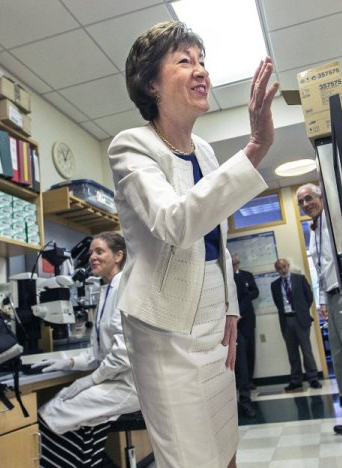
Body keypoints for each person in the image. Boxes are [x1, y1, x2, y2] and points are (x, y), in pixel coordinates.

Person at [108, 20, 278, 468]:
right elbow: (176, 223)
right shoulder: (132, 146)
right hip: (166, 332)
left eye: (202, 61)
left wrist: (231, 308)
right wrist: (256, 147)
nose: (200, 70)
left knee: (225, 450)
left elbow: (216, 239)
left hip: (212, 324)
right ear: (151, 83)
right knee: (191, 459)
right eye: (184, 61)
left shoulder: (204, 149)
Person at [34, 231, 138, 468]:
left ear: (119, 255)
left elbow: (123, 354)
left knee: (53, 412)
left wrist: (90, 380)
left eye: (99, 251)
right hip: (113, 380)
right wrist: (68, 363)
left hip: (129, 385)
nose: (92, 257)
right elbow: (97, 352)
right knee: (63, 406)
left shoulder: (127, 288)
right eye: (91, 252)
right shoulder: (105, 290)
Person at [296, 183, 342, 444]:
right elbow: (321, 267)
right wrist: (322, 301)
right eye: (301, 202)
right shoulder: (313, 229)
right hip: (331, 295)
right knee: (339, 361)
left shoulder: (333, 218)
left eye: (309, 198)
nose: (306, 204)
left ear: (321, 198)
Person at [270, 258, 322, 392]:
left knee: (307, 351)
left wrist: (302, 310)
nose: (283, 270)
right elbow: (278, 303)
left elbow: (309, 296)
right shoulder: (274, 285)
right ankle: (296, 380)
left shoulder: (299, 279)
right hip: (286, 321)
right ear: (277, 270)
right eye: (279, 268)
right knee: (292, 353)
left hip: (300, 319)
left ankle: (313, 378)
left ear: (288, 266)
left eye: (284, 267)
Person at [232, 254, 259, 418]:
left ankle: (246, 394)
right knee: (240, 362)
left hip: (245, 321)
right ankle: (244, 400)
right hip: (231, 325)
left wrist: (238, 313)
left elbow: (250, 294)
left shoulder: (244, 276)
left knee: (248, 357)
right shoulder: (224, 277)